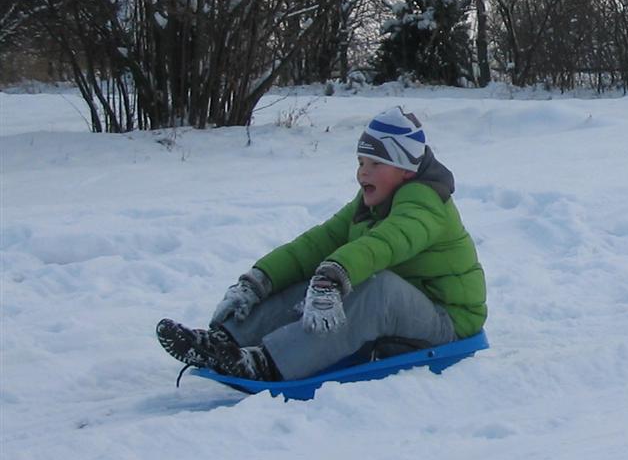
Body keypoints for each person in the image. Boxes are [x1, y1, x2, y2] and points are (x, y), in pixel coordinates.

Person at [156, 107, 486, 381]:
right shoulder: (371, 203)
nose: (363, 173)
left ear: (406, 170)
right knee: (315, 277)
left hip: (447, 321)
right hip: (411, 306)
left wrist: (335, 275)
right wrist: (259, 280)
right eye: (361, 162)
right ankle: (225, 340)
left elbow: (387, 242)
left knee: (375, 288)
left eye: (376, 164)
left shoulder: (425, 203)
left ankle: (268, 362)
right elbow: (317, 243)